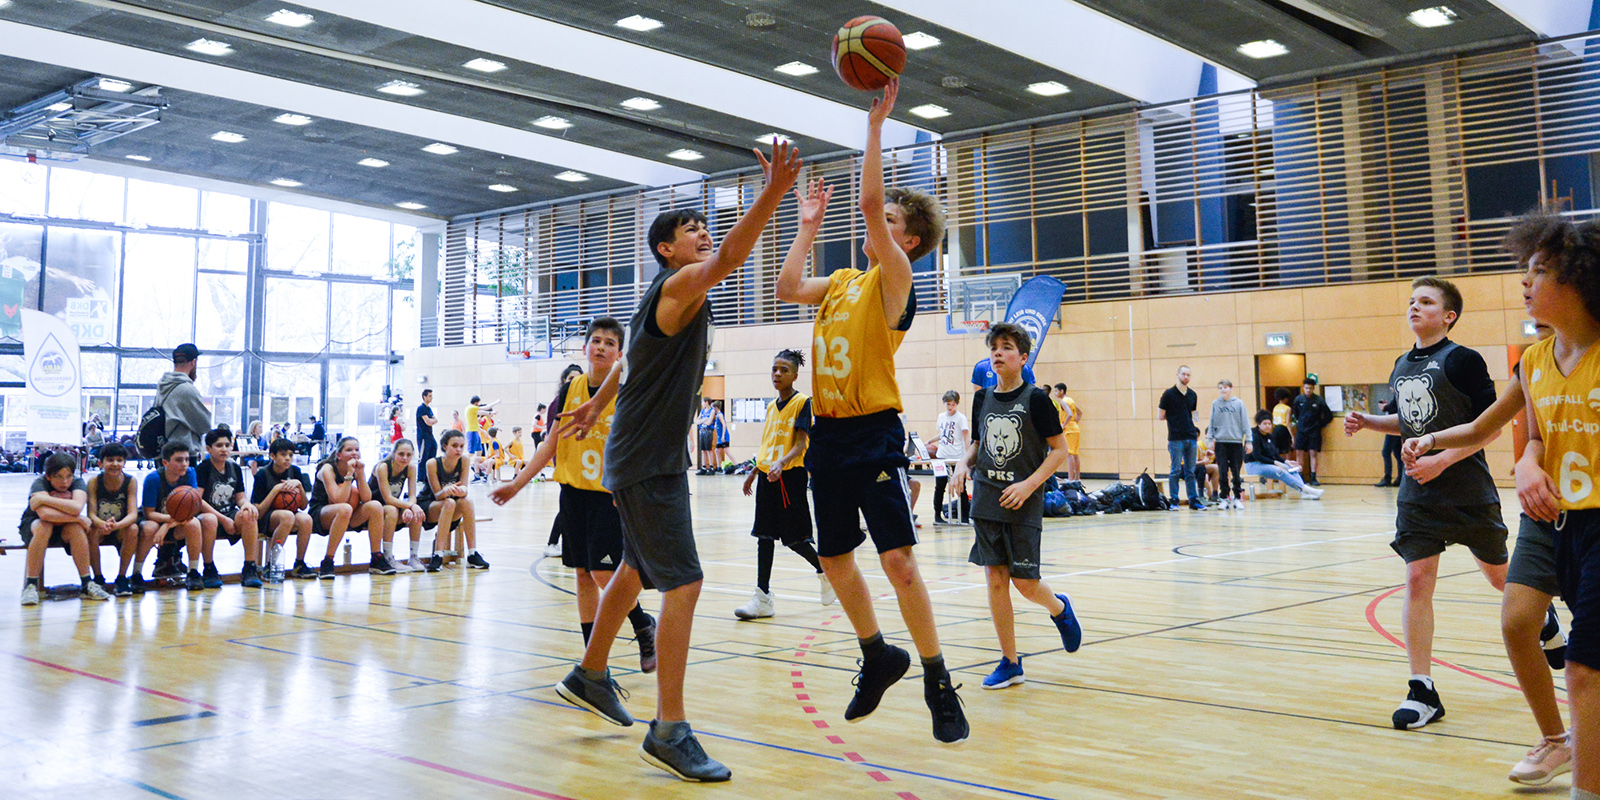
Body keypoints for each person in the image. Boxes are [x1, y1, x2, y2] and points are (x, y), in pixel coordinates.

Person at [553, 138, 801, 782]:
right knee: (684, 583)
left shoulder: (664, 299)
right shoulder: (681, 285)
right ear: (667, 247)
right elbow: (733, 257)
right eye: (692, 229)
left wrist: (591, 407)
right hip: (648, 461)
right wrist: (772, 192)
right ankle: (669, 730)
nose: (703, 234)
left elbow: (631, 364)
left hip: (641, 454)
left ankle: (590, 673)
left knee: (635, 571)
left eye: (703, 227)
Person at [775, 79, 968, 745]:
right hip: (827, 437)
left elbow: (866, 200)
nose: (877, 224)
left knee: (900, 563)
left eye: (890, 223)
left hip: (875, 434)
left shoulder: (895, 283)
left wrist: (877, 125)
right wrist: (804, 229)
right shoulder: (841, 284)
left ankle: (938, 677)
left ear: (907, 243)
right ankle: (877, 654)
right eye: (881, 220)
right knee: (834, 559)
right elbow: (787, 285)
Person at [1344, 275, 1505, 731]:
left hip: (1467, 489)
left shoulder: (1464, 361)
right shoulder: (1401, 364)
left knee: (1500, 578)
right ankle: (1422, 689)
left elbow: (1489, 427)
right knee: (1417, 578)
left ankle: (1544, 618)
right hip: (1418, 493)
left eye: (1426, 302)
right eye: (1412, 301)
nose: (1415, 307)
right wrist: (1370, 421)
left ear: (1448, 315)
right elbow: (1411, 420)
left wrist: (1443, 460)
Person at [491, 318, 659, 674]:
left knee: (602, 573)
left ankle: (643, 625)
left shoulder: (625, 390)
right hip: (573, 493)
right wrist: (516, 484)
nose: (600, 347)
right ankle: (593, 665)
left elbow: (641, 443)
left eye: (609, 343)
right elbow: (550, 443)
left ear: (620, 353)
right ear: (584, 347)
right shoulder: (570, 391)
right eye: (595, 340)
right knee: (583, 575)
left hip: (609, 495)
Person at [949, 323, 1081, 690]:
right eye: (994, 347)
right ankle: (1010, 661)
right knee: (995, 579)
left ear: (1022, 358)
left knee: (1025, 582)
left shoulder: (1037, 400)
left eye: (1006, 347)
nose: (997, 353)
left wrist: (1028, 485)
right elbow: (978, 443)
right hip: (988, 497)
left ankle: (1059, 607)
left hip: (1024, 498)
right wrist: (963, 463)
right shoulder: (982, 399)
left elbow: (1060, 451)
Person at [734, 348, 831, 619]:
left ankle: (825, 570)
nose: (777, 374)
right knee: (764, 537)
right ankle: (762, 597)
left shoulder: (803, 402)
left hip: (790, 476)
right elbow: (768, 443)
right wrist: (756, 469)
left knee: (794, 539)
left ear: (795, 375)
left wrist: (782, 463)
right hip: (768, 475)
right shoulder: (769, 407)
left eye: (784, 370)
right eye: (775, 369)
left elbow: (801, 444)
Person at [19, 452, 112, 604]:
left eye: (68, 476)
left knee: (76, 528)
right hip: (34, 523)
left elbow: (76, 507)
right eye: (59, 477)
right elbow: (45, 514)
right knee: (45, 526)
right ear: (48, 476)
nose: (65, 482)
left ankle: (87, 583)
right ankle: (31, 585)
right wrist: (80, 518)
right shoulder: (39, 483)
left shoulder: (78, 482)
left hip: (65, 525)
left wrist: (44, 499)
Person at [310, 436, 391, 578]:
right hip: (321, 513)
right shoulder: (327, 469)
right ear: (339, 455)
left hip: (344, 514)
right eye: (349, 450)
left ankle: (376, 558)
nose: (354, 453)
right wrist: (349, 475)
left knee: (375, 506)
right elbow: (338, 499)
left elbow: (366, 498)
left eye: (357, 450)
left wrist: (360, 476)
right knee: (344, 508)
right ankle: (328, 561)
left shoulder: (356, 469)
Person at [195, 428, 262, 588]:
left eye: (227, 445)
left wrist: (246, 505)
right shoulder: (203, 468)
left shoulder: (235, 468)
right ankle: (209, 568)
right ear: (209, 449)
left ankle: (249, 567)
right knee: (210, 520)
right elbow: (197, 500)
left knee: (249, 514)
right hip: (207, 514)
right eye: (219, 445)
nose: (224, 449)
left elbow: (240, 497)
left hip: (229, 512)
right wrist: (223, 519)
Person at [136, 441, 204, 592]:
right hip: (155, 520)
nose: (185, 464)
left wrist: (168, 525)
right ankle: (136, 573)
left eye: (187, 459)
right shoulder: (153, 479)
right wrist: (166, 523)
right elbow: (149, 513)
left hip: (174, 523)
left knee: (194, 524)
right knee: (150, 528)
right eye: (179, 460)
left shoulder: (191, 473)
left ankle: (193, 572)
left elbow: (192, 508)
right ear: (165, 462)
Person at [417, 429, 484, 572]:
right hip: (430, 504)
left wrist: (463, 490)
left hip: (450, 506)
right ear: (445, 446)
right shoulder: (432, 463)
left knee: (467, 501)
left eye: (461, 446)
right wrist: (447, 490)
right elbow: (437, 495)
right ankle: (438, 555)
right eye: (454, 445)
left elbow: (465, 488)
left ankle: (472, 553)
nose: (459, 449)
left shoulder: (465, 460)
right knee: (449, 502)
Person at [250, 438, 315, 579]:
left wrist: (299, 485)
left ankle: (299, 564)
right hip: (267, 517)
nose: (288, 458)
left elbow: (303, 506)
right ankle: (271, 565)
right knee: (287, 516)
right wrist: (275, 490)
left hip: (289, 515)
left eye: (290, 455)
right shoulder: (262, 475)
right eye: (283, 454)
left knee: (306, 519)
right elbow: (258, 512)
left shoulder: (295, 472)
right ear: (272, 456)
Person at [86, 442, 140, 595]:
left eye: (119, 460)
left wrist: (117, 525)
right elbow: (91, 514)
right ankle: (98, 577)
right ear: (100, 463)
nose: (115, 464)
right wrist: (102, 524)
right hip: (100, 526)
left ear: (124, 463)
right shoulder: (94, 482)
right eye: (110, 460)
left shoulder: (131, 481)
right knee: (91, 530)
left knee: (134, 528)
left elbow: (133, 514)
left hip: (120, 527)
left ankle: (122, 578)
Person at [543, 364, 584, 558]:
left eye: (578, 378)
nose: (574, 382)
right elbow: (552, 438)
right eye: (570, 378)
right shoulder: (557, 403)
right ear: (563, 381)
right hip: (566, 460)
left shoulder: (587, 401)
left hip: (586, 461)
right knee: (569, 504)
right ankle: (552, 542)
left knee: (579, 506)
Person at [370, 439, 425, 573]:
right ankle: (388, 557)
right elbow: (387, 498)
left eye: (408, 454)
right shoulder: (383, 466)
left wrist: (410, 507)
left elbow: (412, 495)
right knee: (393, 510)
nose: (405, 458)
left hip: (393, 505)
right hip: (375, 508)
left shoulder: (411, 468)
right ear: (394, 453)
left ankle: (413, 557)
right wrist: (410, 506)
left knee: (416, 512)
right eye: (401, 454)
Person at [1159, 365, 1207, 510]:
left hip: (1191, 437)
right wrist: (1175, 419)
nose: (1186, 377)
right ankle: (1174, 499)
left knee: (1190, 471)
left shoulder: (1193, 395)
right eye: (1183, 374)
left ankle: (1193, 500)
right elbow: (1161, 415)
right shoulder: (1168, 394)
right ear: (1177, 375)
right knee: (1175, 470)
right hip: (1175, 437)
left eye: (1188, 375)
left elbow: (1194, 415)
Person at [1245, 411, 1323, 499]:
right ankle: (1306, 489)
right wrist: (1275, 463)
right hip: (1253, 465)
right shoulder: (1253, 435)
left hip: (1267, 464)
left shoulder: (1269, 436)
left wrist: (1287, 462)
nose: (1268, 426)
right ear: (1259, 424)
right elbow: (1258, 456)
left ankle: (1303, 493)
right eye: (1265, 424)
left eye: (1269, 423)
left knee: (1291, 469)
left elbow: (1275, 455)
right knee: (1280, 471)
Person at [159, 343, 210, 455]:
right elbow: (205, 424)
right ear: (193, 362)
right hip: (182, 455)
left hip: (163, 452)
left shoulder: (163, 386)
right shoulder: (187, 389)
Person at [1206, 379, 1250, 510]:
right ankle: (1224, 498)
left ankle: (1237, 497)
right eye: (1220, 388)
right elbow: (1212, 422)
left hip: (1236, 442)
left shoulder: (1239, 403)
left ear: (1231, 388)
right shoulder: (1216, 404)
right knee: (1222, 471)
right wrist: (1210, 438)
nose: (1223, 390)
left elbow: (1245, 423)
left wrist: (1248, 440)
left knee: (1236, 472)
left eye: (1225, 387)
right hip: (1221, 443)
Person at [932, 390, 970, 525]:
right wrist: (929, 442)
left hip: (956, 458)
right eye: (948, 404)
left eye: (953, 404)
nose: (950, 407)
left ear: (957, 404)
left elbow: (966, 438)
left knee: (961, 487)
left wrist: (967, 458)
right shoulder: (941, 416)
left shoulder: (961, 418)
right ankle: (937, 516)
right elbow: (942, 434)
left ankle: (965, 517)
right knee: (939, 486)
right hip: (941, 457)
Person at [1292, 377, 1333, 485]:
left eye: (1310, 388)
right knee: (1299, 453)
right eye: (1306, 388)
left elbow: (1328, 415)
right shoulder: (1298, 400)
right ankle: (1300, 476)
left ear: (1313, 388)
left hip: (1314, 431)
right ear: (1303, 388)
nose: (1308, 390)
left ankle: (1313, 477)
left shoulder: (1319, 400)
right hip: (1301, 430)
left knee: (1313, 453)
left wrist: (1320, 425)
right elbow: (1296, 414)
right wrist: (1300, 423)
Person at [1052, 383, 1082, 482]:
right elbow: (1080, 412)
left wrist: (1063, 425)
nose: (1055, 393)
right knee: (1075, 454)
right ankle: (1077, 478)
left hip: (1069, 429)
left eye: (1056, 391)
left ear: (1062, 391)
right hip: (1075, 428)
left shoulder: (1063, 402)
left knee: (1070, 454)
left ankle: (1070, 478)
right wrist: (1075, 422)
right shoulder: (1071, 400)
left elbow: (1069, 414)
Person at [1377, 398, 1402, 487]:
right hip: (1399, 427)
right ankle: (1400, 478)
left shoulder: (1397, 394)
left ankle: (1388, 478)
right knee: (1398, 453)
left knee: (1386, 452)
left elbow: (1392, 408)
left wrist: (1384, 407)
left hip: (1393, 427)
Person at [694, 398, 717, 475]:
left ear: (707, 402)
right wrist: (704, 419)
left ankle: (711, 467)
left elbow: (709, 422)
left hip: (708, 431)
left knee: (709, 449)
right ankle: (704, 467)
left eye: (703, 402)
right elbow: (697, 422)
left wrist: (703, 420)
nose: (702, 403)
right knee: (703, 450)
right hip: (702, 431)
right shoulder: (702, 411)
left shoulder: (712, 411)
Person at [416, 389, 438, 463]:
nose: (431, 398)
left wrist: (432, 420)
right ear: (424, 397)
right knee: (424, 457)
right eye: (430, 396)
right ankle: (421, 474)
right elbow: (428, 422)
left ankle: (430, 473)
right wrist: (431, 420)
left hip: (430, 435)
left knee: (434, 449)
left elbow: (435, 420)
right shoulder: (421, 408)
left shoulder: (428, 409)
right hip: (423, 436)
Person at [1271, 387, 1294, 456]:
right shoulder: (1287, 408)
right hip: (1283, 430)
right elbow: (1288, 423)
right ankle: (1288, 465)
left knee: (1277, 450)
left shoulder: (1275, 407)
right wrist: (1292, 436)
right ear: (1286, 398)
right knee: (1287, 450)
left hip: (1275, 429)